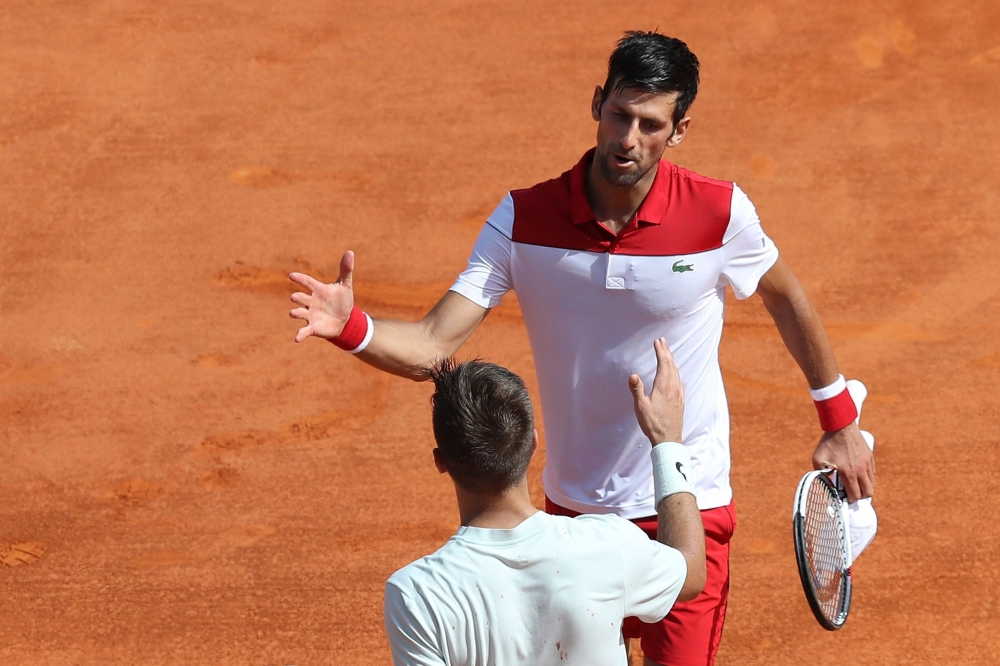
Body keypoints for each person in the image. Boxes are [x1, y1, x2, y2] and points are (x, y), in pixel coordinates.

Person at [289, 31, 875, 665]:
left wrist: (839, 420)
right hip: (574, 514)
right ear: (597, 103)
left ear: (678, 130)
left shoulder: (719, 214)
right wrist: (353, 328)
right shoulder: (523, 219)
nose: (628, 138)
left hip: (687, 496)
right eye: (620, 114)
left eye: (651, 124)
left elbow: (785, 297)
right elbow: (434, 343)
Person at [385, 339, 706, 666]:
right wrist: (667, 443)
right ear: (533, 444)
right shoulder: (607, 544)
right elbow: (691, 571)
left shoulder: (416, 594)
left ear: (441, 462)